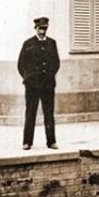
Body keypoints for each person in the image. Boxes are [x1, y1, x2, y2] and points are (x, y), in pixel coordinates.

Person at [17, 16, 60, 150]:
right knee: (30, 113)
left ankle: (51, 141)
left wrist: (49, 76)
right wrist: (28, 78)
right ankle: (27, 142)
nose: (42, 32)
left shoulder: (52, 43)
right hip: (32, 86)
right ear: (35, 28)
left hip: (48, 85)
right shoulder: (28, 44)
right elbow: (21, 64)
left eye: (44, 29)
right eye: (40, 29)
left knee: (49, 113)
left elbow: (56, 63)